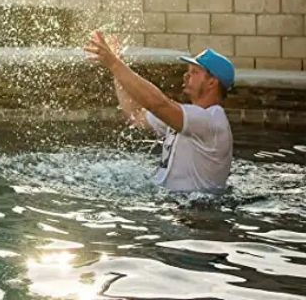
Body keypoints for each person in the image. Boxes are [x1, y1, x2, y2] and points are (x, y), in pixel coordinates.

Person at [84, 30, 234, 193]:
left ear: (212, 82)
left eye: (194, 72)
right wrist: (116, 69)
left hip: (196, 213)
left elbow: (158, 104)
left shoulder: (210, 120)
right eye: (188, 71)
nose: (186, 76)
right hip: (175, 204)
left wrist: (114, 63)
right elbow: (135, 114)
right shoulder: (184, 119)